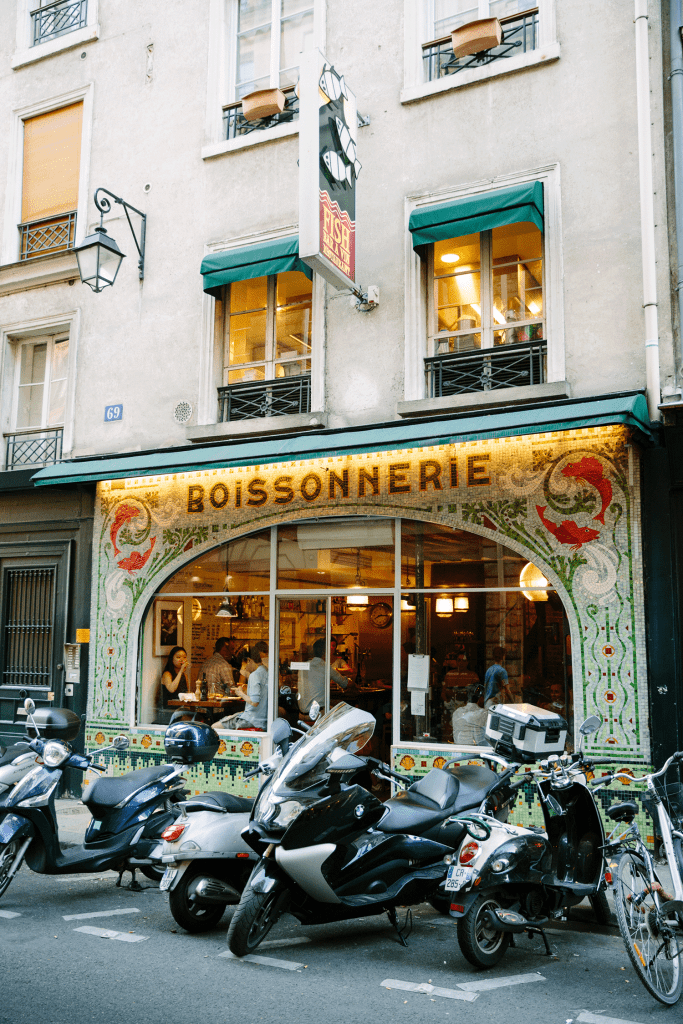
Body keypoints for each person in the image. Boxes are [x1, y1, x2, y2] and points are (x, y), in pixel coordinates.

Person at [217, 643, 268, 731]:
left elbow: (255, 702)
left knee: (214, 727)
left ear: (249, 660)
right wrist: (245, 691)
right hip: (263, 719)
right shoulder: (266, 671)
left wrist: (240, 693)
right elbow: (261, 695)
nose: (244, 668)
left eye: (243, 664)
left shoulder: (254, 675)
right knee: (232, 717)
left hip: (251, 720)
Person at [297, 638, 352, 715]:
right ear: (325, 652)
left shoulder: (304, 666)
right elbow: (344, 683)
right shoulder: (326, 667)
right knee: (345, 708)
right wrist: (353, 683)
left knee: (334, 704)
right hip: (318, 714)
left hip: (301, 714)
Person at [156, 646, 190, 722]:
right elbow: (172, 689)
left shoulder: (185, 676)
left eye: (184, 657)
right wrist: (181, 671)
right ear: (172, 659)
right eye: (178, 657)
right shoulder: (167, 674)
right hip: (168, 711)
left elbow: (186, 693)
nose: (182, 660)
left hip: (180, 710)